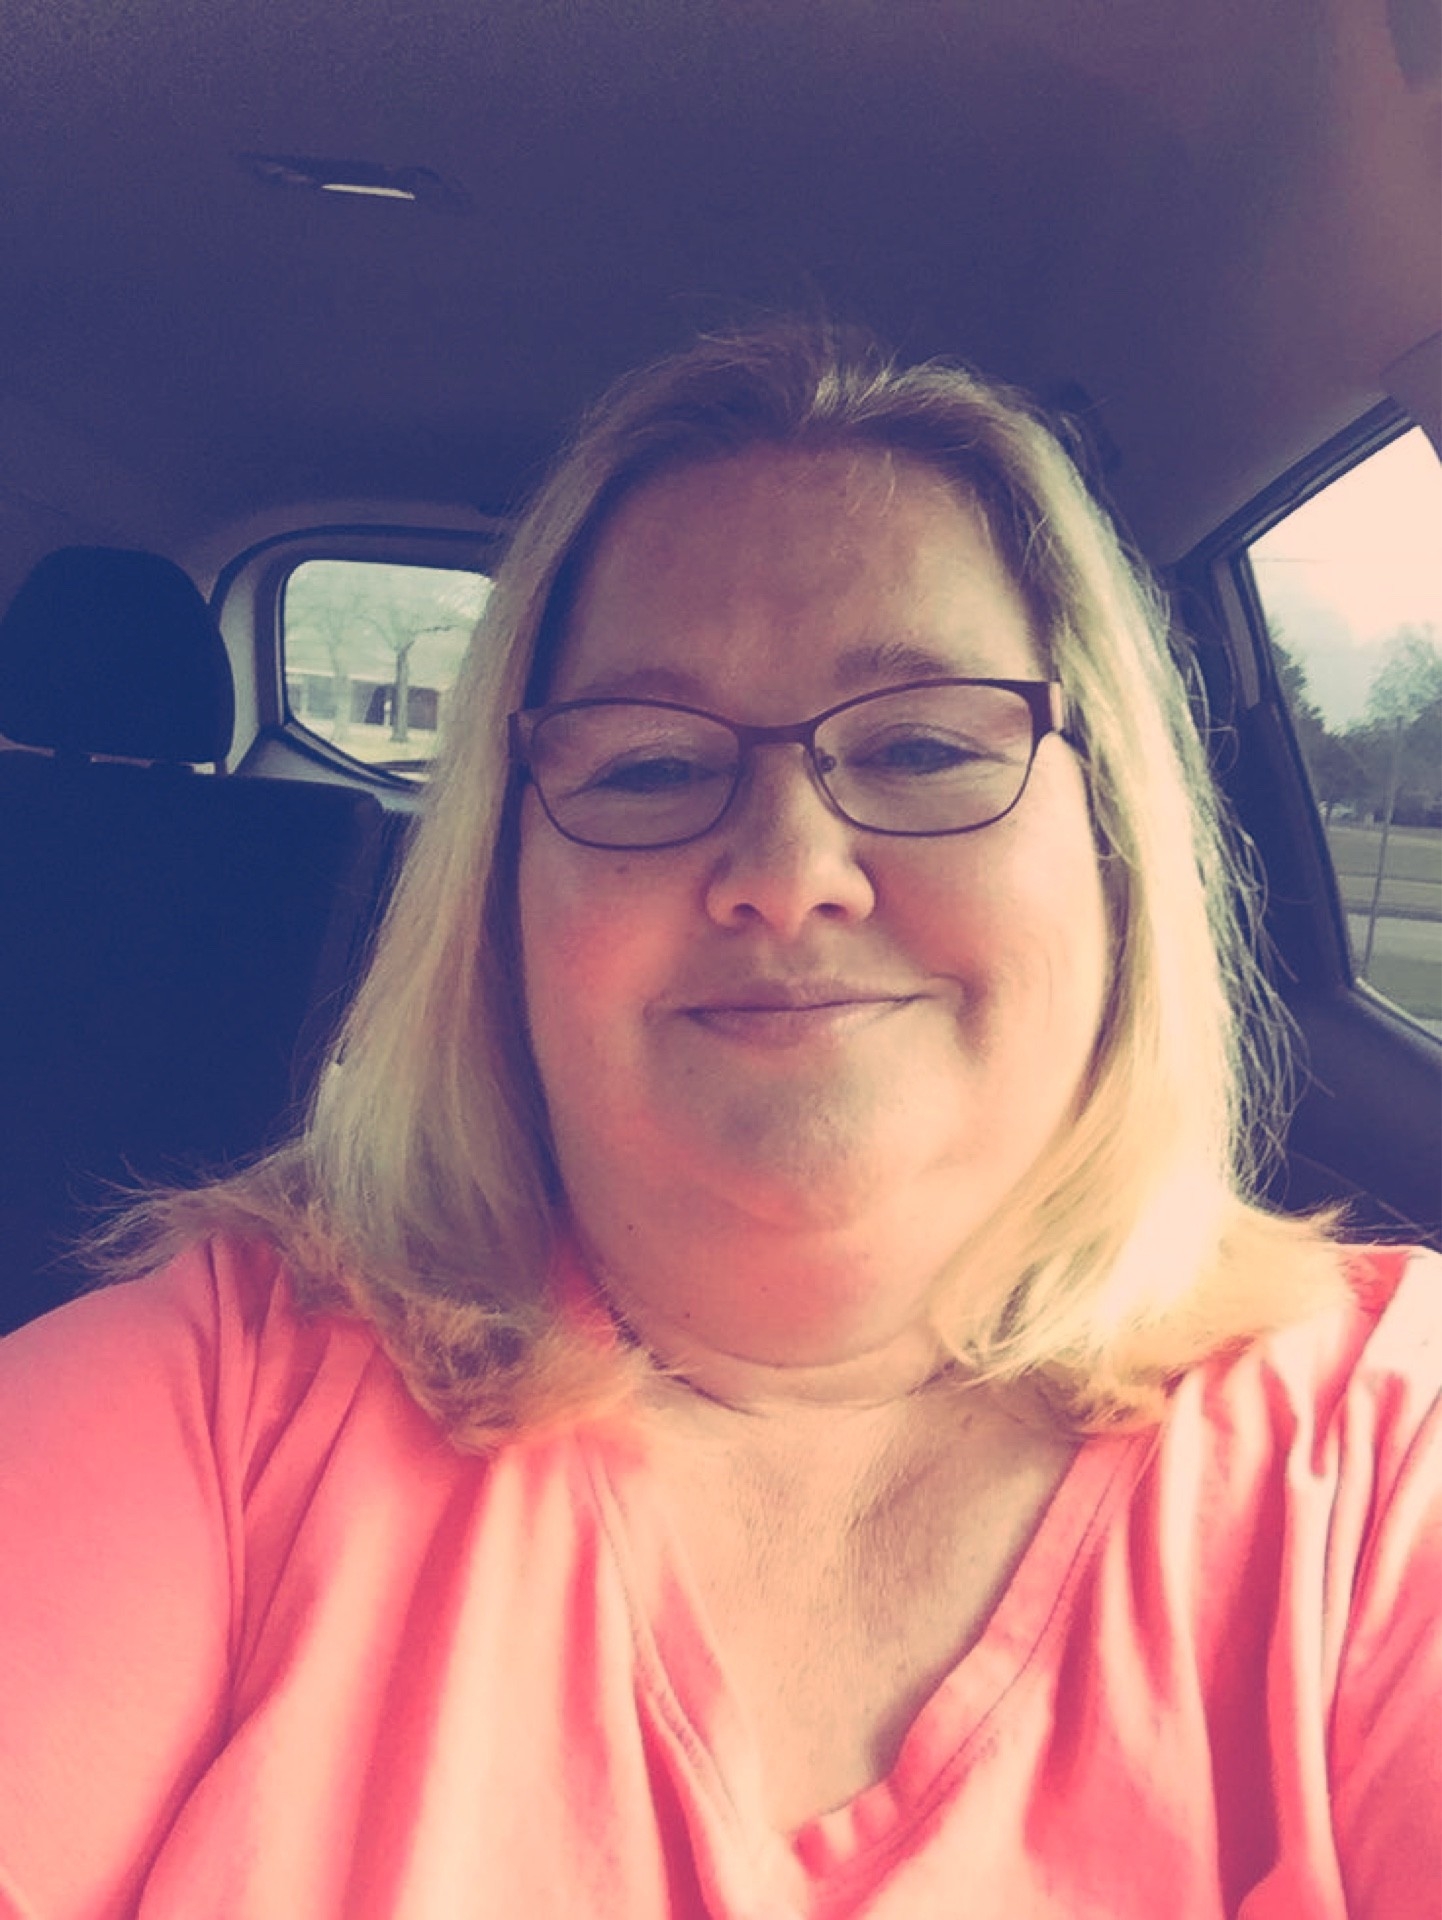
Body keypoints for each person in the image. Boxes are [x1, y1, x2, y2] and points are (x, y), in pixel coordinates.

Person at [0, 323, 1436, 1920]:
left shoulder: (1389, 1452)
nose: (786, 871)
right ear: (499, 892)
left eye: (919, 744)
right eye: (646, 766)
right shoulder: (217, 1404)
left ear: (1111, 842)